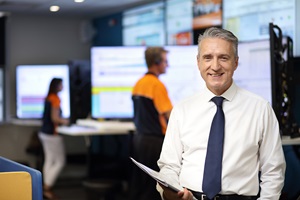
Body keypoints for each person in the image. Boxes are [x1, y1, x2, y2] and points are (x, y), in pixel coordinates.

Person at [157, 27, 286, 200]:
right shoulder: (182, 110)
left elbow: (273, 171)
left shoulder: (260, 109)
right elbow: (169, 167)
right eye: (207, 58)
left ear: (236, 62)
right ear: (198, 62)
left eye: (223, 58)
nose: (215, 66)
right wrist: (172, 193)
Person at [129, 46, 173, 200]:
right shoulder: (157, 85)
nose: (167, 65)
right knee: (153, 187)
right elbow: (170, 115)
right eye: (165, 61)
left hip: (139, 139)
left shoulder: (138, 83)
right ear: (156, 62)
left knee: (140, 182)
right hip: (154, 142)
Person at [39, 78, 69, 199]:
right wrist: (66, 121)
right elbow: (55, 118)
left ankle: (45, 188)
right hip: (52, 134)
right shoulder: (55, 98)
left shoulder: (48, 98)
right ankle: (47, 187)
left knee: (49, 160)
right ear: (57, 86)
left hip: (43, 133)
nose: (63, 87)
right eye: (61, 84)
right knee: (60, 161)